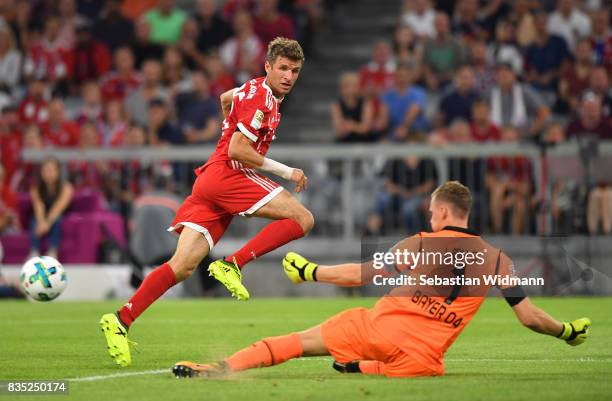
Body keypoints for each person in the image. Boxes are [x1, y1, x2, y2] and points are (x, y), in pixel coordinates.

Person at [172, 181, 592, 379]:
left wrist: (311, 272)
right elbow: (530, 317)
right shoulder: (499, 260)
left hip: (377, 330)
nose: (430, 217)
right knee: (406, 365)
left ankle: (219, 368)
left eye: (432, 211)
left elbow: (362, 274)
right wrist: (566, 332)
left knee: (292, 344)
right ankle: (360, 368)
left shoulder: (423, 242)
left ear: (443, 212)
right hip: (423, 360)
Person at [100, 38, 313, 368]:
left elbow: (225, 98)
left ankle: (120, 320)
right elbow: (237, 150)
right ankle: (233, 264)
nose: (288, 75)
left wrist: (227, 128)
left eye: (295, 70)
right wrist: (288, 171)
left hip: (210, 179)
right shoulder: (263, 99)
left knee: (182, 265)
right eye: (282, 68)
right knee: (303, 219)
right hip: (228, 174)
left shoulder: (254, 89)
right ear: (268, 67)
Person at [28, 158, 74, 260]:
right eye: (45, 171)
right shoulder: (35, 188)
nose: (48, 174)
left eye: (51, 170)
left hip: (59, 216)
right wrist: (41, 223)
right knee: (34, 220)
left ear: (57, 172)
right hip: (43, 216)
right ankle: (34, 250)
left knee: (57, 219)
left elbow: (58, 207)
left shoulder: (66, 187)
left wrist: (47, 223)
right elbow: (39, 207)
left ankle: (53, 250)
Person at [330, 71, 375, 143]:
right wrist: (356, 127)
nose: (350, 89)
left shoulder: (366, 103)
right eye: (347, 86)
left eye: (353, 86)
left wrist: (352, 126)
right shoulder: (337, 105)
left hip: (364, 140)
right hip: (345, 139)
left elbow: (366, 128)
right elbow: (339, 129)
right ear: (342, 88)